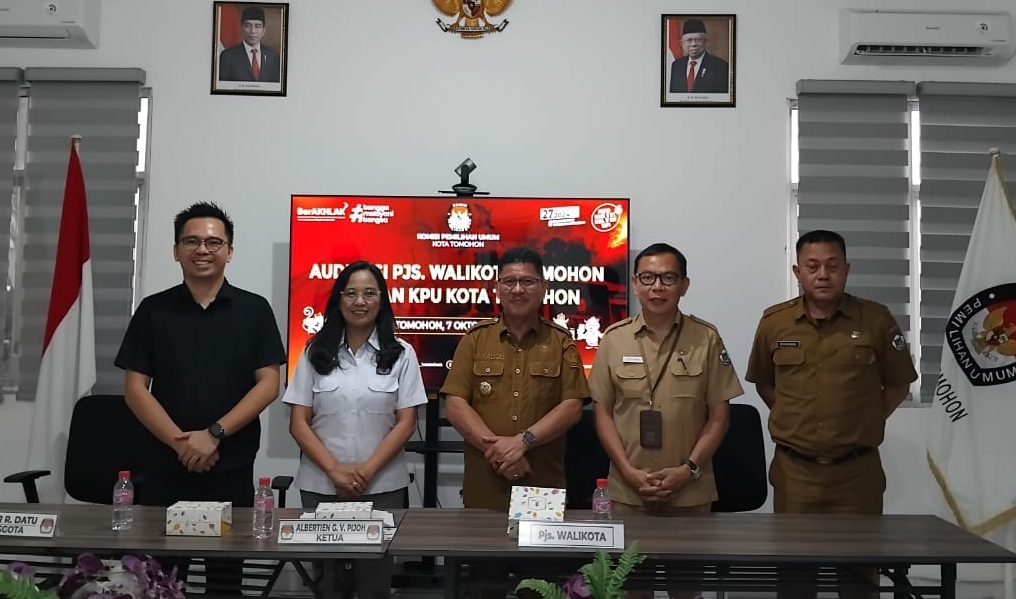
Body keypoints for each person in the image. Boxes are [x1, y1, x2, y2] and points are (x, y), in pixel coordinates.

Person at [115, 201, 285, 595]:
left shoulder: (254, 309)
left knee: (224, 585)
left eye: (213, 242)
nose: (202, 250)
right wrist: (182, 443)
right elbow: (135, 389)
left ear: (229, 251)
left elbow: (268, 384)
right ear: (176, 251)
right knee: (160, 582)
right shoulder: (153, 310)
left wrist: (213, 435)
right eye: (191, 241)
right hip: (165, 468)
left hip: (231, 467)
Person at [745, 229, 918, 599]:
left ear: (846, 270)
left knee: (858, 580)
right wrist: (797, 418)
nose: (823, 275)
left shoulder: (876, 320)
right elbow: (765, 383)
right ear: (797, 272)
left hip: (857, 474)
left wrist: (863, 420)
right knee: (795, 580)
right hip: (795, 472)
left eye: (832, 266)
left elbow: (898, 385)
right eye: (812, 266)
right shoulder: (775, 322)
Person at [283, 260, 427, 599]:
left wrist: (365, 472)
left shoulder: (402, 354)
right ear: (338, 300)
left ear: (381, 300)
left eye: (369, 293)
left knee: (374, 582)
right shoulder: (314, 351)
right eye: (351, 293)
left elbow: (406, 423)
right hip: (321, 484)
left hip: (382, 486)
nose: (360, 302)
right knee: (328, 583)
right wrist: (335, 471)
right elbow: (298, 423)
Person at [589, 243, 743, 520]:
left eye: (668, 278)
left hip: (690, 492)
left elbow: (719, 417)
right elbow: (603, 415)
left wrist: (688, 470)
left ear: (684, 285)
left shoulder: (706, 338)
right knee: (627, 552)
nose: (657, 287)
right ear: (635, 284)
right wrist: (628, 473)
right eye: (648, 278)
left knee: (691, 552)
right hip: (628, 491)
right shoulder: (613, 339)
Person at [442, 247, 590, 511]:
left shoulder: (561, 342)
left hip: (542, 487)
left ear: (544, 287)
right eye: (509, 281)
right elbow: (455, 405)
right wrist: (501, 454)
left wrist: (522, 442)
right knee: (480, 540)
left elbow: (571, 408)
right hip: (485, 487)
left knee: (540, 540)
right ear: (497, 288)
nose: (518, 289)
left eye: (527, 281)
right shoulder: (475, 339)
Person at [217, 6, 281, 82]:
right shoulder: (227, 56)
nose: (252, 31)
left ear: (263, 30)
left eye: (257, 26)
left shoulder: (274, 56)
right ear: (241, 29)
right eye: (248, 26)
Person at [668, 18, 730, 93]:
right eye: (689, 40)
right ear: (682, 43)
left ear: (705, 41)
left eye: (698, 40)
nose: (693, 44)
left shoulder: (721, 67)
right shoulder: (676, 66)